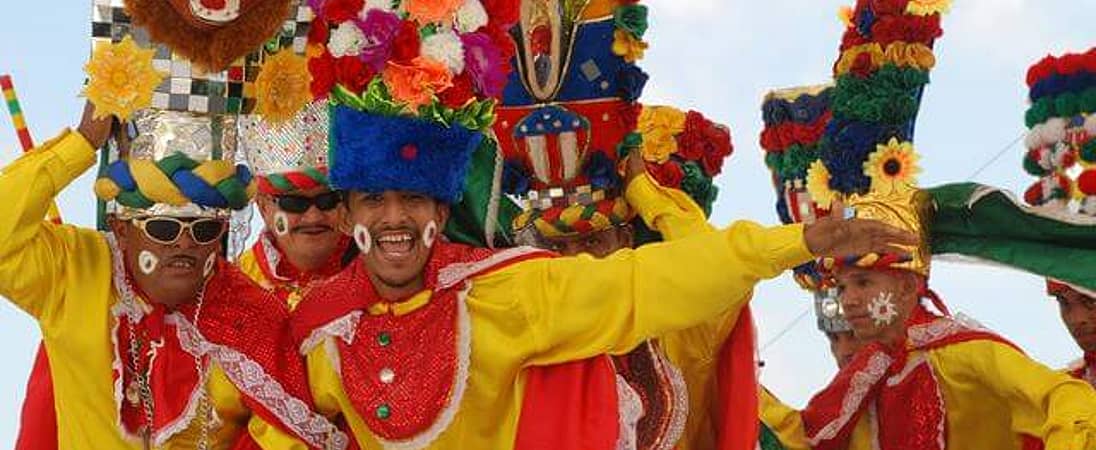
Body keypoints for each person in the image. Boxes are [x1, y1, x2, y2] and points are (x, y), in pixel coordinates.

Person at [286, 1, 915, 448]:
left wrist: (791, 241)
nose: (395, 217)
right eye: (374, 200)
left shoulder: (508, 294)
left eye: (414, 201)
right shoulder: (316, 329)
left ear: (441, 214)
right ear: (348, 216)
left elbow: (649, 282)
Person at [798, 1, 1096, 449]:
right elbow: (798, 435)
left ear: (906, 284)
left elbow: (1065, 402)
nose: (850, 301)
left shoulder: (966, 351)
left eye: (861, 282)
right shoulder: (869, 371)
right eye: (844, 288)